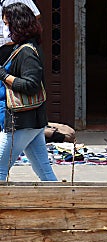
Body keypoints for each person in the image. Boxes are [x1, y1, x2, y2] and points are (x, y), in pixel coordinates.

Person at [0, 2, 57, 181]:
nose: (5, 28)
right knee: (44, 171)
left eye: (7, 24)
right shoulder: (20, 48)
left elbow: (31, 85)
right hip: (29, 122)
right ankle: (61, 206)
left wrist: (2, 74)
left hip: (21, 123)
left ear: (17, 24)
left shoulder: (26, 52)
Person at [0, 0, 40, 65]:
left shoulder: (27, 52)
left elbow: (33, 16)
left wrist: (17, 35)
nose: (6, 27)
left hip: (12, 45)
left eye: (7, 24)